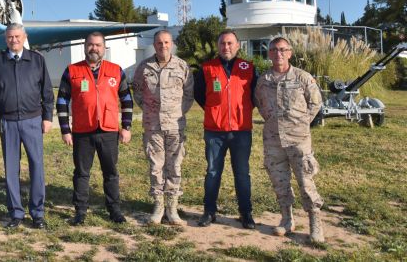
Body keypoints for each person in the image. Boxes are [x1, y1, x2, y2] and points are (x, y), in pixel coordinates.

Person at [56, 32, 133, 225]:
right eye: (90, 45)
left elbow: (126, 100)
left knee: (111, 172)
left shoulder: (116, 70)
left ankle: (114, 210)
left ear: (104, 48)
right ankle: (80, 211)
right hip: (82, 131)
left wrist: (126, 127)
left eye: (98, 45)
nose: (94, 48)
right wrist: (65, 129)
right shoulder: (72, 71)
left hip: (108, 130)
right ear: (85, 46)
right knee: (81, 173)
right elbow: (62, 101)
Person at [0, 23, 54, 229]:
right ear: (5, 39)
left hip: (33, 121)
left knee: (37, 166)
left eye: (17, 36)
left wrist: (47, 117)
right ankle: (16, 213)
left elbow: (47, 92)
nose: (13, 40)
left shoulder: (37, 60)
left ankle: (37, 213)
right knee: (11, 169)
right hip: (7, 122)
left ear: (24, 37)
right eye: (9, 37)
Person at [254, 37, 325, 243]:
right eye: (274, 50)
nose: (279, 54)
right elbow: (259, 103)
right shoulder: (263, 80)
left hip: (298, 140)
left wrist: (301, 123)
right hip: (273, 140)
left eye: (283, 50)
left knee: (305, 181)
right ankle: (287, 219)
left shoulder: (302, 78)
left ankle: (315, 222)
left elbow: (315, 103)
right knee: (279, 181)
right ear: (269, 54)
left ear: (290, 53)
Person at [194, 30, 257, 229]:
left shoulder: (249, 68)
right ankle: (209, 211)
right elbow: (199, 95)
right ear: (218, 46)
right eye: (222, 43)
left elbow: (255, 96)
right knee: (213, 172)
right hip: (215, 131)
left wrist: (241, 111)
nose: (226, 47)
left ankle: (246, 213)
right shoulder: (206, 68)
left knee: (242, 173)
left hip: (241, 130)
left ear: (238, 45)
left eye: (230, 43)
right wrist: (216, 111)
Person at [132, 30, 194, 225]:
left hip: (175, 125)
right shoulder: (144, 67)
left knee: (174, 165)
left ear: (172, 44)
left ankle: (172, 207)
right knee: (156, 166)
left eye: (166, 42)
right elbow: (138, 93)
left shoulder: (182, 66)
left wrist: (176, 111)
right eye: (159, 43)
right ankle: (158, 205)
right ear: (154, 44)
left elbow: (189, 94)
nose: (163, 46)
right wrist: (151, 111)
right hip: (152, 125)